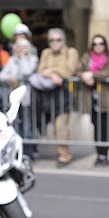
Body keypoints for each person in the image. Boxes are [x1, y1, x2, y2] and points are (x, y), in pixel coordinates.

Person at [32, 28, 79, 167]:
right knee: (47, 126)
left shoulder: (71, 52)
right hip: (47, 95)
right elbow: (40, 70)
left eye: (58, 39)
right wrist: (53, 75)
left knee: (61, 127)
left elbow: (69, 71)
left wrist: (51, 70)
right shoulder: (46, 53)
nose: (54, 43)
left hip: (63, 94)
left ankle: (64, 155)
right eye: (51, 40)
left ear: (63, 41)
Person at [77, 34, 109, 166]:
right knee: (96, 126)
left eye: (101, 44)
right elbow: (77, 70)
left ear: (105, 45)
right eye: (95, 44)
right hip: (91, 98)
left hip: (106, 99)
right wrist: (84, 76)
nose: (98, 46)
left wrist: (92, 75)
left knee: (105, 128)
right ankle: (99, 154)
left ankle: (104, 155)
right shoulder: (86, 57)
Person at [0, 38, 39, 159]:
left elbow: (26, 72)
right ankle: (15, 152)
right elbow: (1, 75)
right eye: (18, 47)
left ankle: (28, 153)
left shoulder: (32, 59)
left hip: (26, 98)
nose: (20, 50)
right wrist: (9, 77)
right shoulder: (11, 60)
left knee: (27, 126)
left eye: (23, 47)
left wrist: (22, 58)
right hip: (12, 98)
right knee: (15, 125)